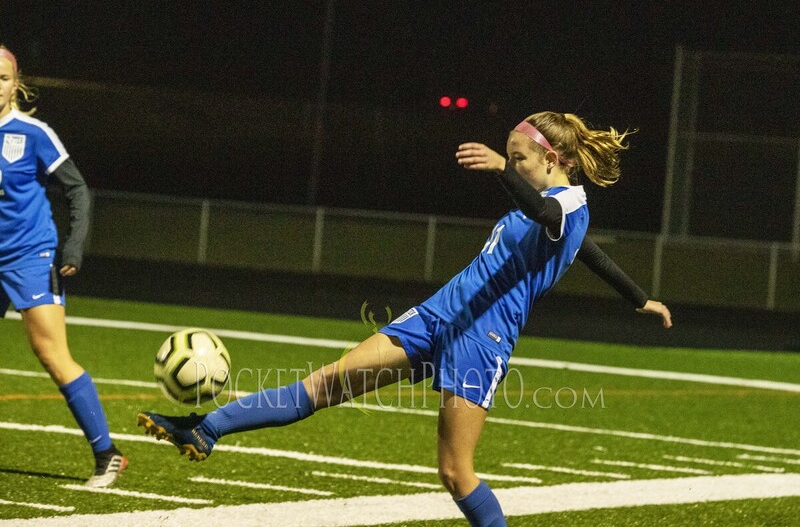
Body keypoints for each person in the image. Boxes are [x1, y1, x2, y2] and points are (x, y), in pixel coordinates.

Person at [138, 111, 671, 526]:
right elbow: (593, 256)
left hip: (480, 338)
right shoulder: (551, 205)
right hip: (437, 315)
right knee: (325, 383)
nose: (513, 166)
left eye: (521, 159)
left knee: (455, 473)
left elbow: (548, 216)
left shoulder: (568, 205)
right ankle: (205, 429)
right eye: (510, 158)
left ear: (557, 161)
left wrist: (504, 172)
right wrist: (640, 298)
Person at [0, 45, 127, 487]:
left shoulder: (33, 133)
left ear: (16, 84)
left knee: (51, 354)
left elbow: (77, 190)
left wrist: (73, 246)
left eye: (2, 78)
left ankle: (107, 453)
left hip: (30, 256)